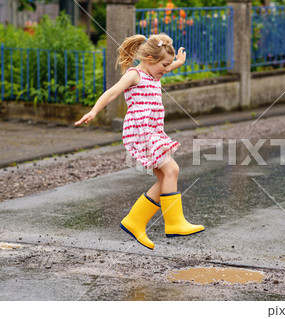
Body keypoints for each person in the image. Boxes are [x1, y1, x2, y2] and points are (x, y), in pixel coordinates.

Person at [74, 33, 205, 250]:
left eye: (168, 66)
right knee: (172, 170)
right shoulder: (135, 75)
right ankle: (174, 223)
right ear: (149, 60)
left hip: (152, 130)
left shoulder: (154, 75)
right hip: (141, 131)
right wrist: (94, 111)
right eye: (164, 65)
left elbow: (165, 67)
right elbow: (113, 92)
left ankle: (135, 221)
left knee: (165, 177)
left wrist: (178, 63)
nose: (166, 69)